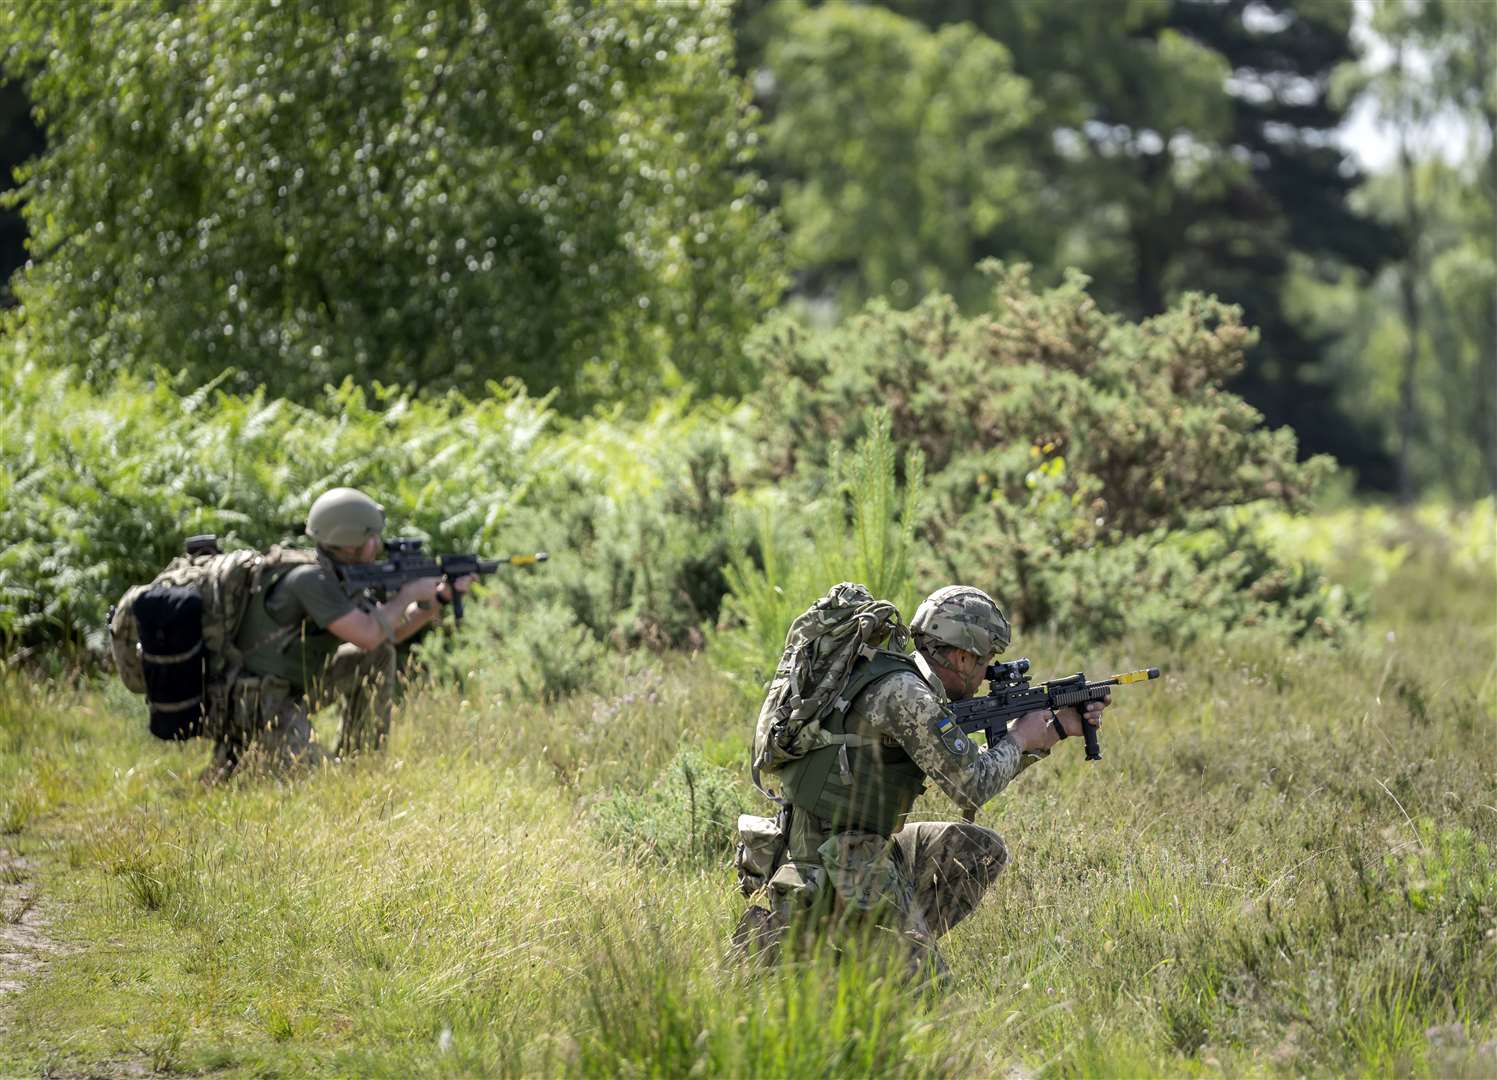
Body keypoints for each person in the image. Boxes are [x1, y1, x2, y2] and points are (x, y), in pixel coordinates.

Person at [736, 585, 1107, 983]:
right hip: (837, 859)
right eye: (987, 662)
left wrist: (1048, 735)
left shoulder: (895, 675)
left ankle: (875, 949)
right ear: (963, 656)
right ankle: (840, 952)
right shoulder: (906, 694)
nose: (988, 676)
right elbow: (971, 787)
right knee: (927, 993)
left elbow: (963, 775)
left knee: (979, 849)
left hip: (852, 842)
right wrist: (1019, 740)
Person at [206, 487, 471, 780]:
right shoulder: (311, 580)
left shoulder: (337, 574)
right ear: (351, 543)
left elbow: (385, 635)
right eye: (372, 536)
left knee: (378, 655)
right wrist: (408, 594)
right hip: (259, 703)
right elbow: (368, 633)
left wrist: (439, 600)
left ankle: (363, 762)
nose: (377, 543)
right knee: (325, 781)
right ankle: (239, 759)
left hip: (292, 688)